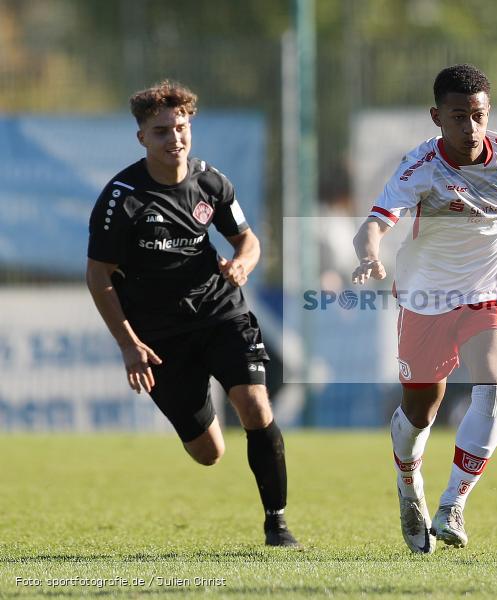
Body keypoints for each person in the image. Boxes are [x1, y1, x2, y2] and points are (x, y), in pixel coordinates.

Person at [352, 64, 497, 553]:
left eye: (479, 115)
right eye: (459, 116)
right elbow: (375, 222)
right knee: (421, 412)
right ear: (436, 117)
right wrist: (369, 255)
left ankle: (453, 504)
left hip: (487, 296)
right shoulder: (420, 166)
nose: (470, 128)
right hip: (425, 300)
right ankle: (408, 485)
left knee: (493, 387)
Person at [85, 80, 300, 548]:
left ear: (191, 128)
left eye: (180, 127)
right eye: (161, 131)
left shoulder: (211, 181)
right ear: (142, 137)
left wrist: (242, 263)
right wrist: (127, 343)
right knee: (208, 453)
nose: (174, 138)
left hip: (221, 313)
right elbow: (99, 275)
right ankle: (202, 412)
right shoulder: (121, 199)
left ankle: (277, 526)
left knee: (256, 406)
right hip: (160, 336)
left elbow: (247, 240)